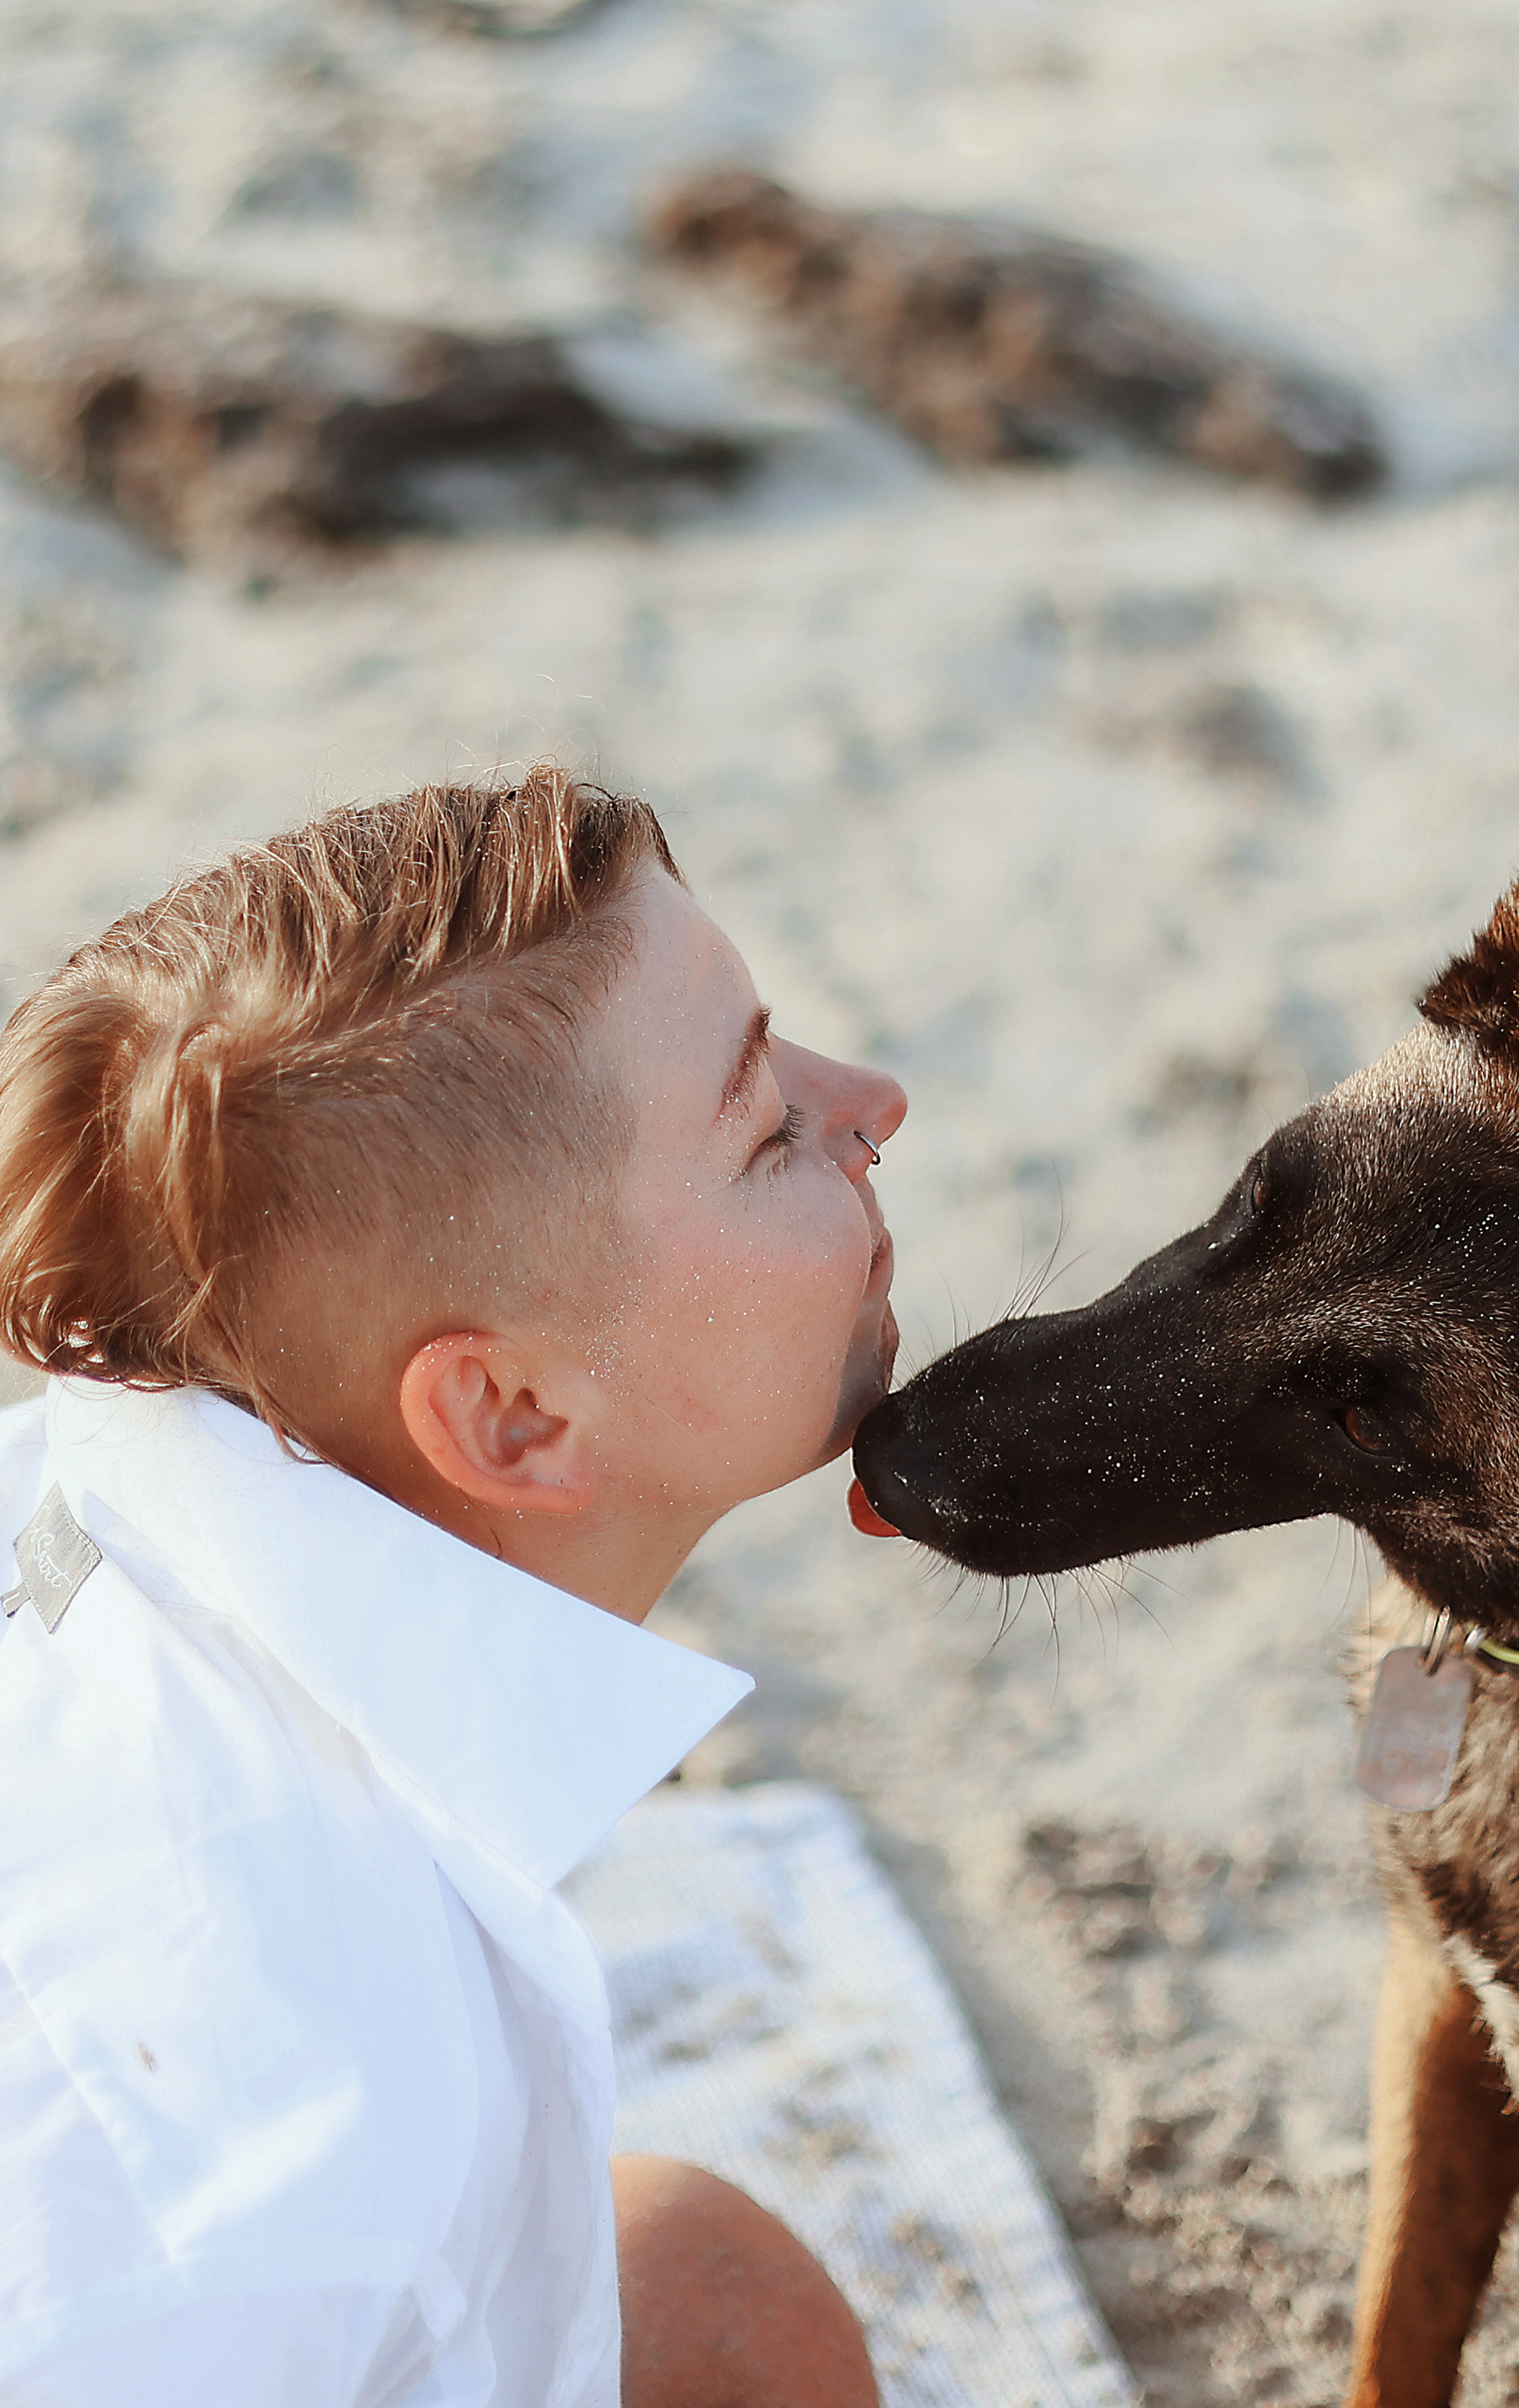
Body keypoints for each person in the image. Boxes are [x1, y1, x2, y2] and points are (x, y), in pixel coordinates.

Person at [0, 767, 906, 2407]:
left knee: (708, 2285)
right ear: (507, 1415)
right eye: (766, 1125)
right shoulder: (299, 2142)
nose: (876, 1101)